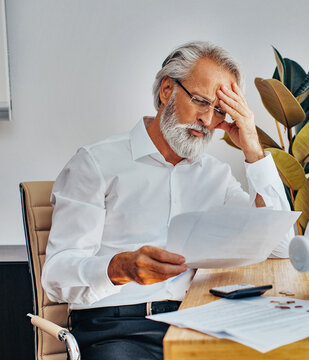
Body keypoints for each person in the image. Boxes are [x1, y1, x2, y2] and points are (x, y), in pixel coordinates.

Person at [41, 41, 291, 360]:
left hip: (199, 324)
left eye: (219, 110)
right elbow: (56, 277)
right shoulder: (95, 164)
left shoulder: (216, 175)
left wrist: (253, 150)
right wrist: (119, 269)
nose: (207, 119)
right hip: (118, 330)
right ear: (167, 90)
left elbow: (282, 247)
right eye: (201, 101)